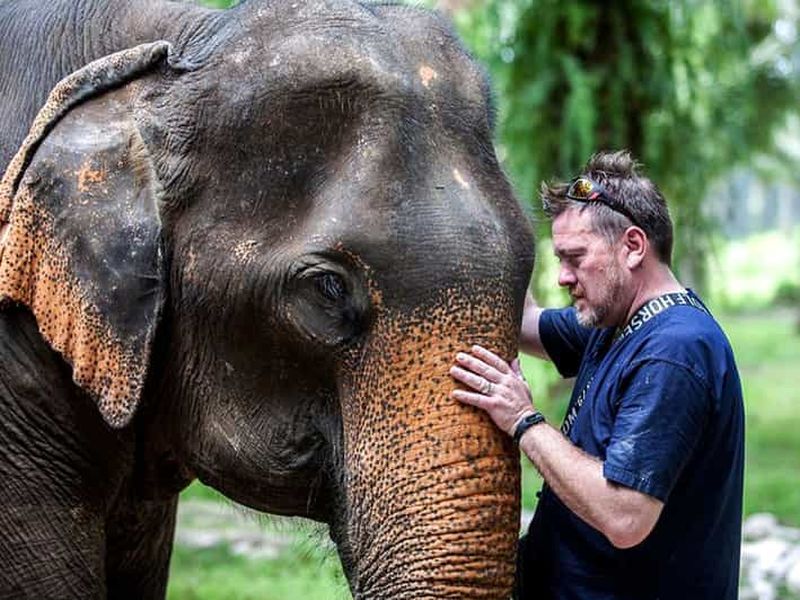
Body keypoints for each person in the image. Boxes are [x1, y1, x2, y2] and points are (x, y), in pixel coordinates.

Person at [449, 150, 745, 599]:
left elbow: (625, 517)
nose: (564, 277)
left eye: (576, 258)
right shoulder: (615, 323)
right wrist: (487, 200)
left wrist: (523, 419)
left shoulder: (673, 350)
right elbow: (522, 319)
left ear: (632, 247)